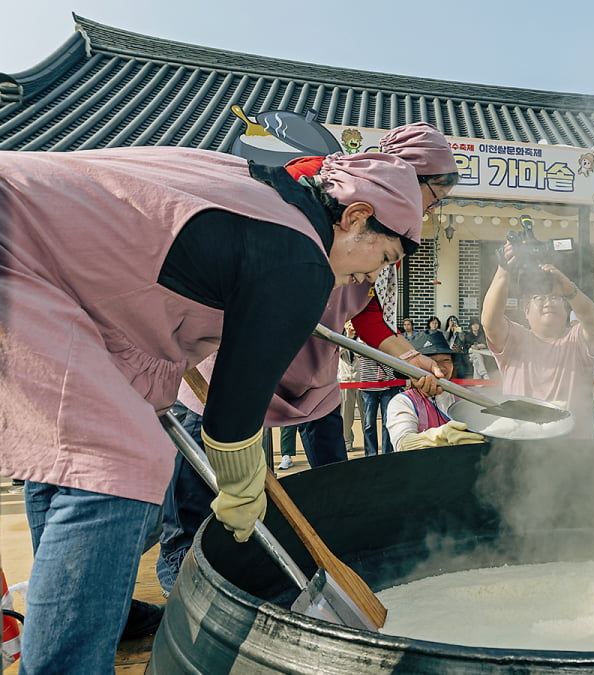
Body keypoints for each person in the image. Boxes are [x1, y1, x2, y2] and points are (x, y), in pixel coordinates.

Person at [0, 146, 421, 671]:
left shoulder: (264, 191)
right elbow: (230, 418)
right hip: (15, 247)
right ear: (356, 217)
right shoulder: (299, 253)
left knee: (76, 466)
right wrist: (243, 485)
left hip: (39, 258)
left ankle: (65, 637)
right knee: (118, 461)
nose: (369, 278)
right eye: (383, 259)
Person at [157, 121, 460, 595]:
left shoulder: (384, 224)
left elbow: (366, 307)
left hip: (311, 369)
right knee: (206, 478)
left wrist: (409, 357)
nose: (432, 212)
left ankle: (322, 555)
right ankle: (184, 580)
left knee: (328, 473)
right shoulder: (321, 186)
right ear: (408, 177)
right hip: (239, 357)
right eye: (434, 198)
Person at [481, 245, 594, 438]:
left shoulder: (577, 339)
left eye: (555, 298)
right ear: (526, 309)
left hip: (575, 446)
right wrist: (503, 270)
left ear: (566, 310)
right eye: (539, 298)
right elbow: (490, 321)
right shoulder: (515, 339)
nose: (548, 302)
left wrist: (570, 291)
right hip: (520, 442)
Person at [384, 331, 486, 451]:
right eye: (430, 361)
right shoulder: (403, 402)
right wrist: (440, 436)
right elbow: (402, 444)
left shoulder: (469, 396)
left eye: (446, 360)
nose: (440, 367)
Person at [338, 321, 362, 455]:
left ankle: (369, 442)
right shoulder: (341, 339)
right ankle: (347, 441)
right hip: (346, 380)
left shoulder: (361, 340)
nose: (352, 326)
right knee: (346, 414)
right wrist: (348, 336)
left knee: (366, 415)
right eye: (349, 323)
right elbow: (339, 352)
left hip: (362, 380)